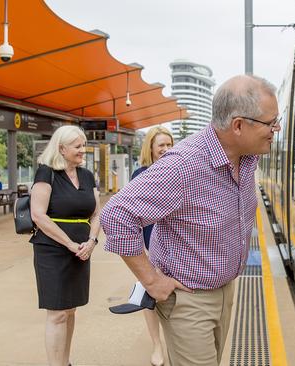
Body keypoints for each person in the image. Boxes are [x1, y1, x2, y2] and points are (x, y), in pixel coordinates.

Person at [101, 74, 281, 366]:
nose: (276, 129)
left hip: (225, 291)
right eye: (271, 122)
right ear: (238, 125)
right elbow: (117, 215)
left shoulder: (248, 158)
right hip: (189, 301)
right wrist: (151, 280)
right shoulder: (183, 166)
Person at [29, 125, 101, 366]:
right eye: (78, 146)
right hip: (53, 250)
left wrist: (92, 241)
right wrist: (70, 244)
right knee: (57, 312)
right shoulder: (46, 173)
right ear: (61, 148)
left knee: (70, 310)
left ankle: (65, 361)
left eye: (83, 145)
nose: (83, 150)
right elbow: (38, 215)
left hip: (81, 250)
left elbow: (96, 214)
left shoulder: (87, 175)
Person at [131, 126, 174, 366]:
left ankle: (173, 341)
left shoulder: (179, 171)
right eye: (161, 145)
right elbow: (132, 217)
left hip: (175, 246)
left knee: (172, 296)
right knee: (150, 296)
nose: (166, 149)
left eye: (170, 144)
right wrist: (142, 252)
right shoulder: (141, 175)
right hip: (148, 245)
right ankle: (157, 345)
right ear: (151, 148)